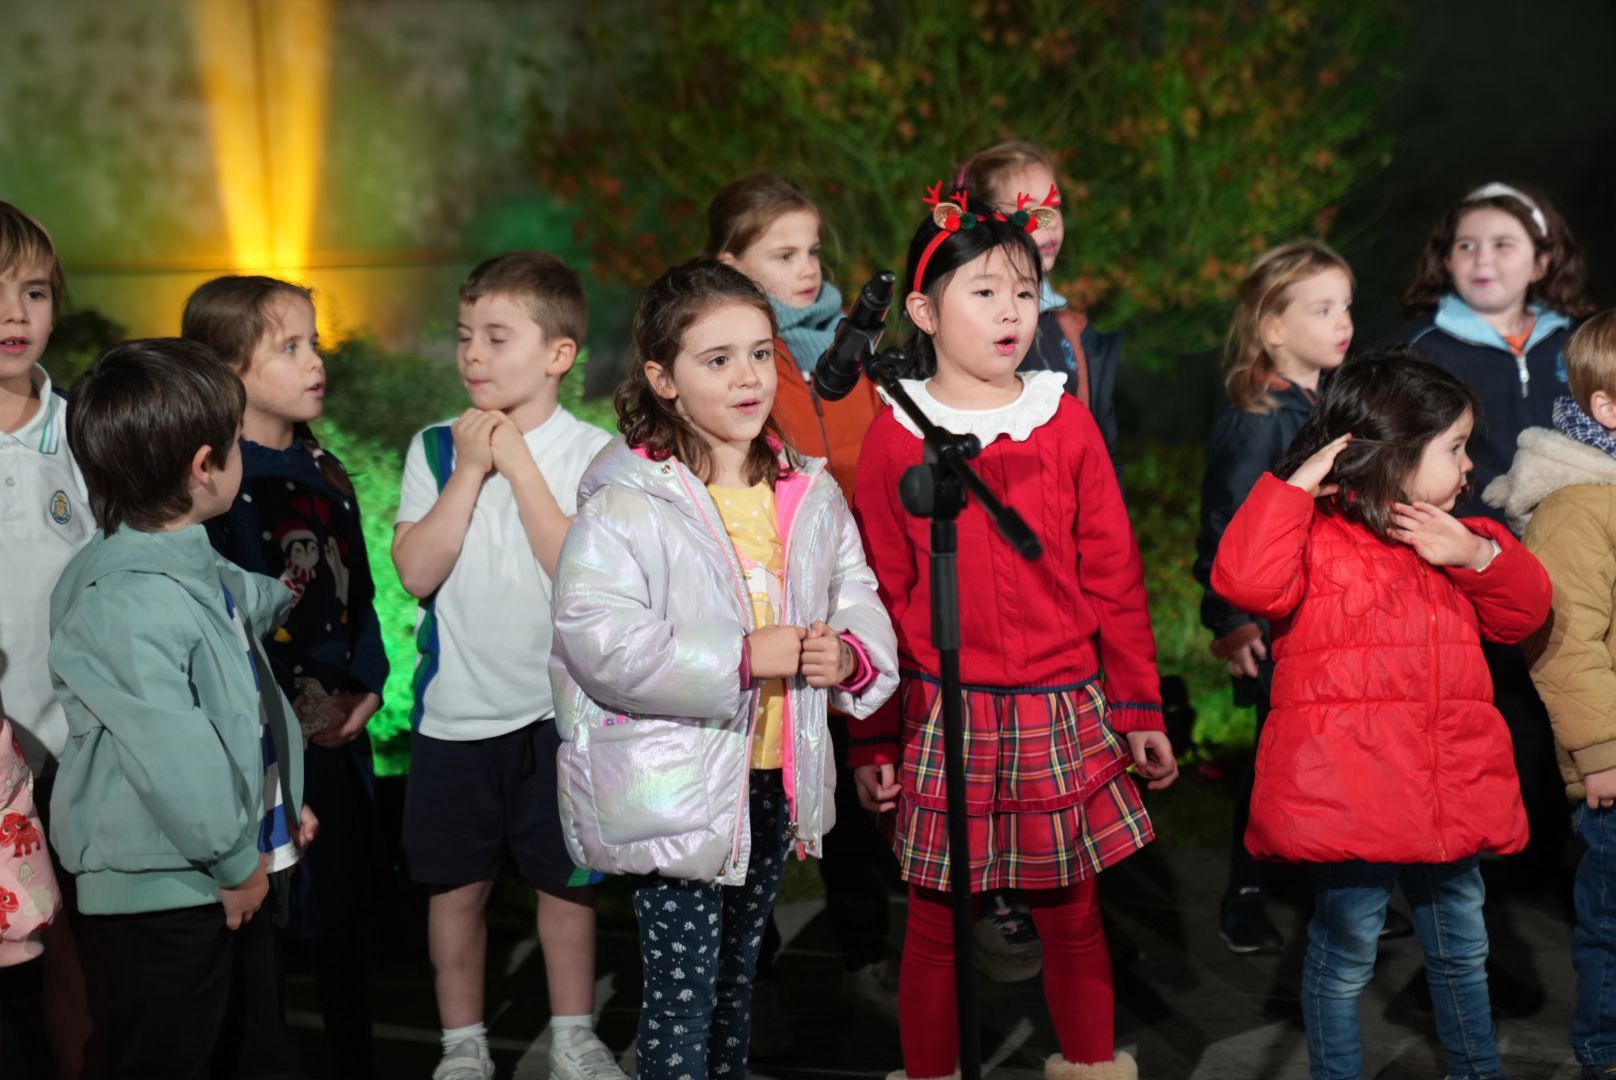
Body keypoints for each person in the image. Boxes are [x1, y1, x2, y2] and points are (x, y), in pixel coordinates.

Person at [851, 186, 1178, 1080]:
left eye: (1024, 293)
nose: (1010, 312)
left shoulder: (1060, 419)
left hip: (1055, 703)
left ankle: (1087, 1064)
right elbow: (877, 591)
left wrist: (1138, 702)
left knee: (1071, 913)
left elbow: (1112, 571)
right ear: (922, 309)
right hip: (943, 708)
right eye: (984, 292)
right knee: (933, 919)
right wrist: (874, 732)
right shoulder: (893, 436)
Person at [548, 257, 898, 1080]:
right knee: (681, 996)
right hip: (676, 786)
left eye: (759, 354)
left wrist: (845, 654)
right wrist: (743, 659)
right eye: (717, 360)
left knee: (740, 980)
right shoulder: (629, 499)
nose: (747, 379)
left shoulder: (805, 491)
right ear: (662, 380)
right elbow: (597, 637)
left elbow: (857, 591)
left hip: (774, 777)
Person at [1212, 347, 1551, 1080]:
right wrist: (1293, 488)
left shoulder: (1461, 540)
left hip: (1444, 792)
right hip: (1355, 799)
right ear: (1392, 451)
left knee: (1462, 954)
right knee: (1343, 958)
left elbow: (1525, 613)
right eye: (1454, 447)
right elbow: (1245, 579)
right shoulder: (1311, 535)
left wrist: (1477, 559)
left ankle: (1476, 1070)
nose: (1469, 466)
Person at [48, 338, 313, 1079]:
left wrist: (281, 808)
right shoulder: (124, 600)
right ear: (204, 466)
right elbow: (176, 754)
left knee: (253, 1049)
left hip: (232, 864)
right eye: (233, 444)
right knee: (177, 1055)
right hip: (174, 885)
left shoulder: (189, 560)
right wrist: (237, 862)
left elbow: (243, 617)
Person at [392, 251, 622, 1080]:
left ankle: (571, 1035)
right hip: (457, 715)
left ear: (559, 353)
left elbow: (580, 573)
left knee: (566, 886)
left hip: (559, 717)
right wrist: (474, 466)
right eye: (464, 337)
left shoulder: (597, 453)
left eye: (496, 336)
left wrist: (519, 464)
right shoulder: (435, 448)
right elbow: (416, 571)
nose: (473, 355)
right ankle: (463, 1045)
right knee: (456, 889)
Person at [182, 275, 389, 1079]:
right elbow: (224, 621)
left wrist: (368, 689)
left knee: (346, 929)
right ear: (227, 367)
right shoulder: (216, 483)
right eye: (290, 347)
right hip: (262, 744)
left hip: (340, 732)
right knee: (264, 928)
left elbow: (359, 594)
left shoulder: (325, 466)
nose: (315, 362)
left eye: (315, 342)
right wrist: (285, 707)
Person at [708, 172, 899, 1033]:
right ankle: (755, 980)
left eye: (812, 250)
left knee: (861, 802)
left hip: (849, 610)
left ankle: (868, 957)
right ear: (732, 266)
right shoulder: (738, 365)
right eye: (782, 253)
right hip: (763, 617)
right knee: (755, 802)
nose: (807, 268)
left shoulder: (854, 356)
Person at [1403, 181, 1597, 880]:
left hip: (1572, 559)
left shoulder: (1577, 345)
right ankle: (1481, 881)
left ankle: (1559, 867)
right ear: (1445, 259)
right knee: (1492, 720)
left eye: (1503, 244)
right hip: (1464, 562)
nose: (1483, 258)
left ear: (1542, 261)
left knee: (1567, 708)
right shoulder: (1423, 348)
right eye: (1466, 245)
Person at [1192, 241, 1354, 954]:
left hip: (1324, 618)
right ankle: (1246, 892)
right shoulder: (1257, 415)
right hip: (1272, 623)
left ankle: (1338, 890)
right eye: (1321, 308)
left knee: (1332, 758)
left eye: (1346, 305)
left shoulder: (1330, 402)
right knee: (1275, 763)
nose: (1342, 321)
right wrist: (1232, 621)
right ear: (1273, 328)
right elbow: (1227, 523)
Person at [1484, 309, 1616, 1080]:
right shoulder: (1577, 509)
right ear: (1607, 409)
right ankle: (1603, 1048)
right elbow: (1564, 646)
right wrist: (1600, 752)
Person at [0, 199, 104, 1076]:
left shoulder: (83, 434)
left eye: (33, 293)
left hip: (72, 740)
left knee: (75, 950)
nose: (14, 316)